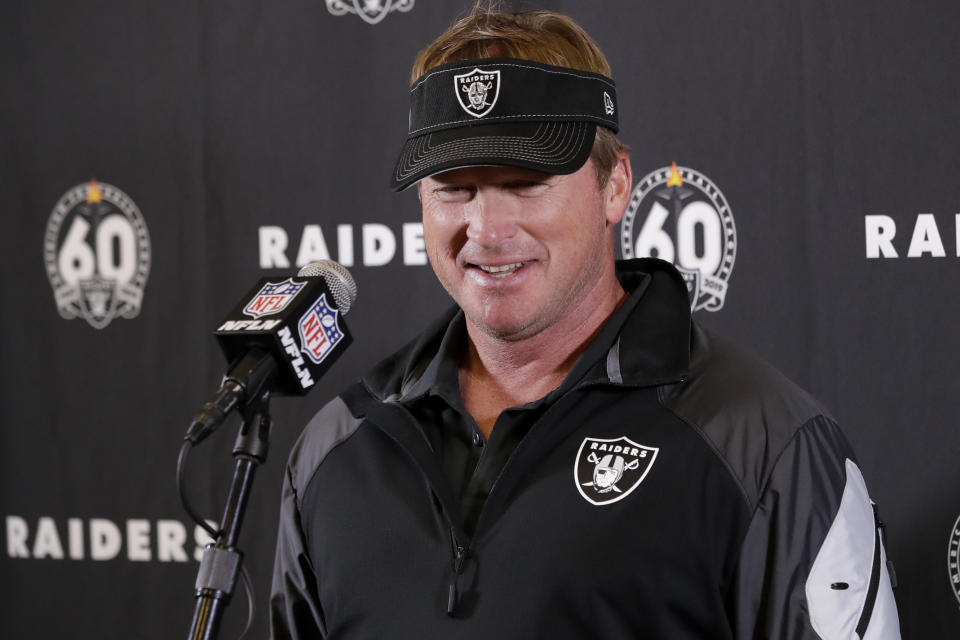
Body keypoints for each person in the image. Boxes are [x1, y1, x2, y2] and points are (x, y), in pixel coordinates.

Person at [271, 7, 901, 639]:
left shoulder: (764, 443)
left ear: (615, 184)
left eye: (526, 183)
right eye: (453, 188)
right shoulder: (337, 449)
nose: (486, 230)